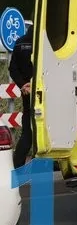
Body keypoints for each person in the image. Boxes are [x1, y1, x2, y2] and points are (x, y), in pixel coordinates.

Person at [9, 29, 34, 169]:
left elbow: (12, 68)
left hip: (27, 93)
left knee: (27, 132)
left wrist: (23, 84)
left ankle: (17, 165)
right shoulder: (46, 42)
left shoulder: (20, 42)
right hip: (44, 92)